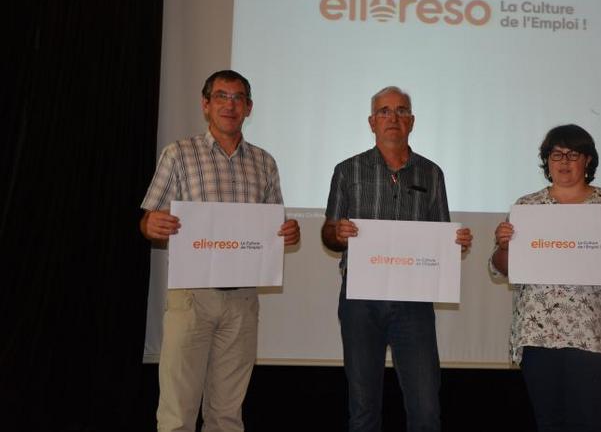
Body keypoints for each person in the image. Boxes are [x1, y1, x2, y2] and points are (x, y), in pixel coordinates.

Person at [140, 70, 300, 432]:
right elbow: (150, 219)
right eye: (222, 96)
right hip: (192, 297)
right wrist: (151, 226)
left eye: (238, 97)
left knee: (227, 416)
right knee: (177, 414)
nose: (230, 104)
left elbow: (276, 225)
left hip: (242, 301)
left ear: (249, 107)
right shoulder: (178, 154)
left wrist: (287, 231)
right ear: (206, 104)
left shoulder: (265, 162)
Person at [321, 86, 473, 432]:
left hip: (413, 302)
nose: (394, 118)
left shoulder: (431, 174)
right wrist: (338, 233)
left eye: (402, 111)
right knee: (363, 409)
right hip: (360, 300)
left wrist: (455, 243)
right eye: (385, 111)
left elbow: (441, 236)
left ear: (412, 121)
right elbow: (328, 235)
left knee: (425, 409)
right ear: (372, 122)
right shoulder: (347, 170)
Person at [489, 124, 601, 432]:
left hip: (595, 338)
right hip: (538, 337)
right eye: (556, 154)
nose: (564, 162)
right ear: (547, 161)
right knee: (549, 424)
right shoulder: (527, 207)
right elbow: (501, 268)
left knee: (591, 424)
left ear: (588, 160)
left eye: (573, 154)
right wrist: (503, 247)